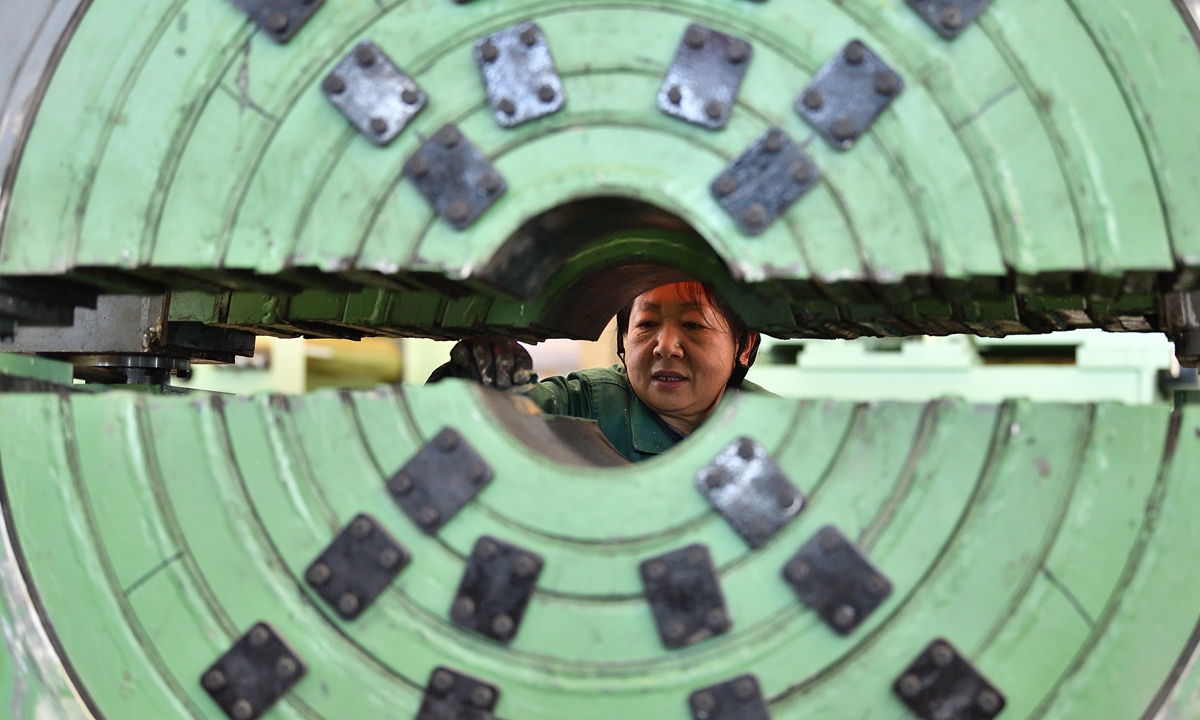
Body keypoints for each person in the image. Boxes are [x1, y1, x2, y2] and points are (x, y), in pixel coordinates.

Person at [429, 281, 766, 462]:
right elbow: (457, 430)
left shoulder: (771, 429)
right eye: (646, 324)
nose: (665, 346)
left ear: (744, 346)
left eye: (693, 325)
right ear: (623, 341)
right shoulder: (580, 404)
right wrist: (472, 384)